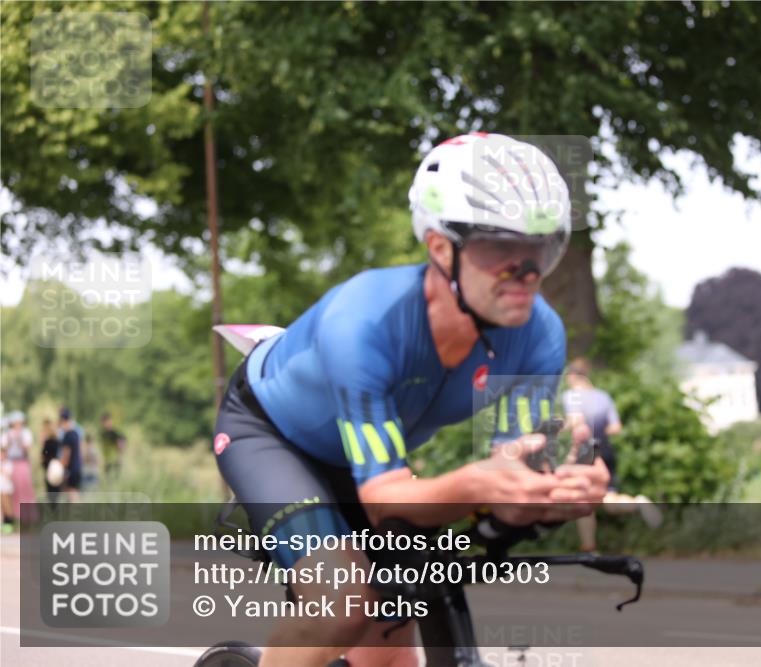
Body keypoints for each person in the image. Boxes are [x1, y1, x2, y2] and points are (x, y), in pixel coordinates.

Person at [213, 133, 608, 667]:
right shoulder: (365, 322)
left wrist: (556, 486)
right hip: (270, 435)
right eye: (499, 250)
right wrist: (477, 482)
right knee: (342, 600)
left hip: (368, 459)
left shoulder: (538, 336)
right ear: (441, 248)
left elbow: (511, 469)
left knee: (394, 629)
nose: (525, 275)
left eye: (539, 250)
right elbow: (385, 498)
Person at [561, 358, 661, 552]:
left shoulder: (571, 395)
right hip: (605, 449)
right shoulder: (603, 396)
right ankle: (637, 503)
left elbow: (576, 422)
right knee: (609, 499)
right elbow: (615, 427)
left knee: (583, 501)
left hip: (585, 451)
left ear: (572, 376)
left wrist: (557, 428)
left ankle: (589, 548)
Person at [1, 411, 38, 524]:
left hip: (23, 463)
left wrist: (19, 439)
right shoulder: (7, 434)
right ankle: (11, 518)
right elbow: (4, 450)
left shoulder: (25, 433)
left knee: (25, 490)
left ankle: (27, 517)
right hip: (11, 465)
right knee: (11, 491)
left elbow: (27, 447)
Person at [58, 407, 83, 502]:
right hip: (78, 467)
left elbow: (66, 456)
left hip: (71, 469)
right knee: (75, 493)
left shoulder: (67, 436)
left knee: (72, 494)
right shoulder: (76, 433)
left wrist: (61, 468)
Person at [39, 418, 62, 505]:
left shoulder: (48, 442)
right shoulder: (58, 442)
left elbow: (44, 454)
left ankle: (53, 506)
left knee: (50, 487)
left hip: (50, 466)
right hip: (56, 465)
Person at [98, 413, 126, 478]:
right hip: (107, 462)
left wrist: (120, 457)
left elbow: (122, 445)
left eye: (105, 421)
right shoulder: (103, 434)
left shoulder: (115, 433)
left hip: (115, 462)